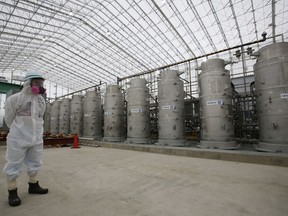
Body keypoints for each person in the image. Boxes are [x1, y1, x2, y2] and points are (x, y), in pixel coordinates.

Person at [3, 72, 48, 207]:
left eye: (41, 83)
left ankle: (33, 185)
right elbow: (9, 118)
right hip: (19, 137)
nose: (39, 86)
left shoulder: (41, 101)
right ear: (28, 83)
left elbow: (40, 118)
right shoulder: (15, 99)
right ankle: (12, 191)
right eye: (36, 82)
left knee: (35, 161)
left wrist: (37, 134)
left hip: (36, 137)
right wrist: (18, 131)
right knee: (14, 163)